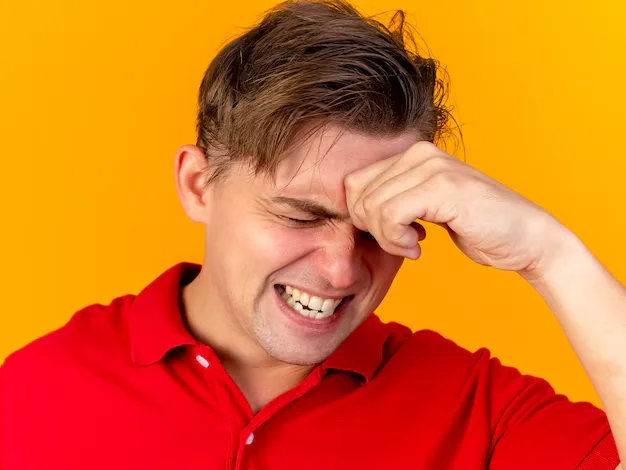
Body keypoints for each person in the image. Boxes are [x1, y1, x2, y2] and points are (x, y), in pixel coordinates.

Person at [1, 0, 624, 468]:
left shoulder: (476, 408)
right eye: (300, 215)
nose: (341, 270)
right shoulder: (33, 393)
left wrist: (552, 255)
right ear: (197, 185)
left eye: (382, 225)